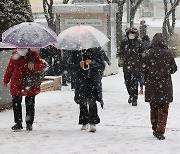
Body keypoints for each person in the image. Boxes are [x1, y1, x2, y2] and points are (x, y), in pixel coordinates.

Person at [140, 33, 177, 140]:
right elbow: (174, 68)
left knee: (153, 107)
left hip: (151, 85)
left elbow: (142, 69)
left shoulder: (147, 53)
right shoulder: (168, 53)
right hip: (165, 85)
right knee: (163, 108)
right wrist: (165, 71)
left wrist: (150, 73)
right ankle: (160, 130)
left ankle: (154, 127)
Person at [3, 48, 44, 131]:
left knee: (30, 103)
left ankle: (29, 123)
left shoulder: (33, 54)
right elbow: (10, 68)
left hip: (29, 82)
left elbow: (41, 65)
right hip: (16, 83)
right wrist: (6, 80)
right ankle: (18, 123)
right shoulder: (15, 54)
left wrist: (34, 66)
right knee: (16, 102)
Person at [69, 47, 105, 132]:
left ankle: (93, 121)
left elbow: (102, 65)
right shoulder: (76, 51)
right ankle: (84, 121)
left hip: (93, 80)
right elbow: (70, 66)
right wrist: (78, 65)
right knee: (82, 101)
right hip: (81, 80)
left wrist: (92, 62)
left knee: (92, 100)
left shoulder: (97, 50)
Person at [118, 27, 144, 106]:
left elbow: (143, 53)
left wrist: (139, 60)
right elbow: (120, 51)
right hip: (126, 65)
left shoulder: (139, 43)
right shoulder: (124, 42)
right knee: (127, 82)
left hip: (136, 66)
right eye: (130, 33)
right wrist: (123, 56)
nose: (131, 35)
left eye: (133, 33)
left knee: (134, 82)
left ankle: (135, 97)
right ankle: (130, 94)